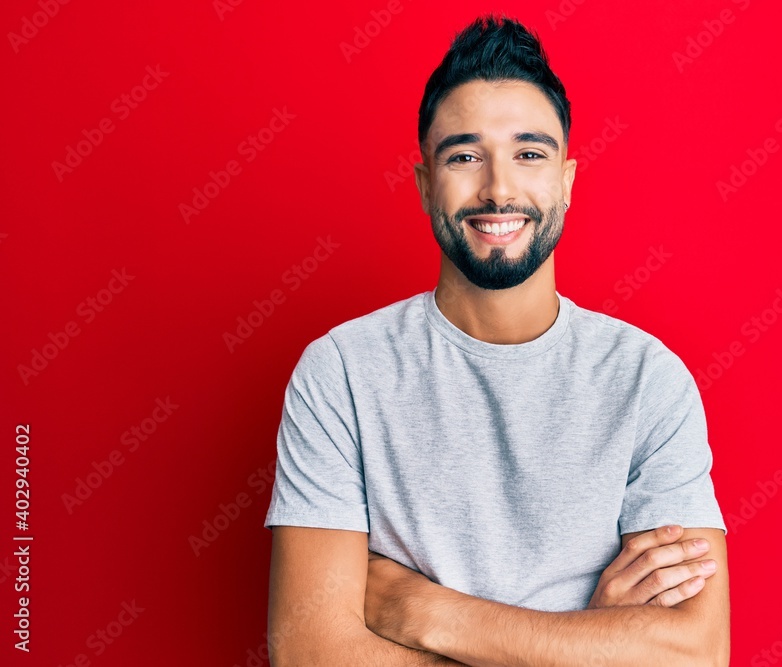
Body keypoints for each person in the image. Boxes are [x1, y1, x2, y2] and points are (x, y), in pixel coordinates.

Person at [264, 13, 729, 666]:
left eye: (529, 153)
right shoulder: (340, 372)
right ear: (426, 185)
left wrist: (425, 611)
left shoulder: (649, 381)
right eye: (464, 156)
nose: (499, 188)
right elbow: (311, 653)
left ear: (566, 182)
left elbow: (695, 654)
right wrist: (591, 642)